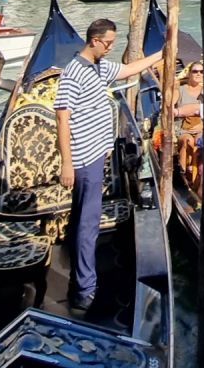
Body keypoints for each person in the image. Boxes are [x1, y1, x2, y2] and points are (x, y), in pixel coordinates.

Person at [54, 18, 165, 315]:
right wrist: (67, 163)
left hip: (96, 155)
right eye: (108, 43)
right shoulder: (73, 73)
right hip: (83, 158)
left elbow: (128, 69)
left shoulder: (101, 67)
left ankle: (79, 273)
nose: (111, 48)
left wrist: (162, 54)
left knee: (82, 218)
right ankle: (84, 289)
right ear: (93, 40)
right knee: (88, 222)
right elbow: (62, 119)